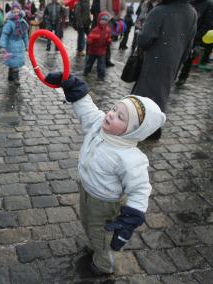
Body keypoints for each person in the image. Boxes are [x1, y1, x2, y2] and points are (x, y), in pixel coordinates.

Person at [44, 72, 166, 276]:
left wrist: (130, 219)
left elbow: (140, 190)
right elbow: (87, 109)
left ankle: (104, 264)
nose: (110, 114)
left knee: (102, 233)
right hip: (86, 189)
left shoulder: (130, 158)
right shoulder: (99, 125)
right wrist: (74, 86)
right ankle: (95, 242)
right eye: (113, 109)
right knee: (87, 222)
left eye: (120, 117)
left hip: (105, 203)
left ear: (132, 131)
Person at [131, 0, 197, 140]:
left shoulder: (159, 11)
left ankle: (145, 128)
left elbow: (145, 40)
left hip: (154, 60)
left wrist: (140, 32)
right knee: (161, 94)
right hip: (173, 62)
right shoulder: (191, 12)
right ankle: (153, 127)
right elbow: (189, 44)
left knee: (146, 94)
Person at [175, 0, 213, 86]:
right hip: (182, 34)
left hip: (195, 37)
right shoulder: (189, 2)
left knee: (189, 58)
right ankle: (173, 75)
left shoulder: (208, 4)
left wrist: (197, 35)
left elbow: (208, 23)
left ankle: (182, 78)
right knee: (177, 57)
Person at [0, 2, 29, 86]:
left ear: (20, 11)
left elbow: (25, 35)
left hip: (19, 45)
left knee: (13, 61)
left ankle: (10, 75)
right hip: (11, 45)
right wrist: (2, 45)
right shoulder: (9, 23)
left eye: (17, 11)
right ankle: (16, 79)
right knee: (14, 61)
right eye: (14, 12)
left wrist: (27, 45)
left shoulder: (23, 22)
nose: (16, 13)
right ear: (12, 12)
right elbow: (4, 34)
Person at [83, 12, 111, 81]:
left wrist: (109, 40)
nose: (104, 22)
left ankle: (101, 76)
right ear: (99, 20)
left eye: (106, 20)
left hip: (102, 51)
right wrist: (90, 40)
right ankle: (86, 71)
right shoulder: (95, 30)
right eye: (102, 20)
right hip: (93, 50)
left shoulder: (108, 30)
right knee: (89, 63)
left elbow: (108, 37)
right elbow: (90, 37)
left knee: (101, 65)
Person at [100, 0, 126, 67]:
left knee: (110, 41)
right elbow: (103, 9)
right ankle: (104, 59)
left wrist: (121, 18)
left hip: (118, 23)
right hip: (107, 22)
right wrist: (111, 18)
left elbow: (124, 8)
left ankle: (106, 58)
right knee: (105, 41)